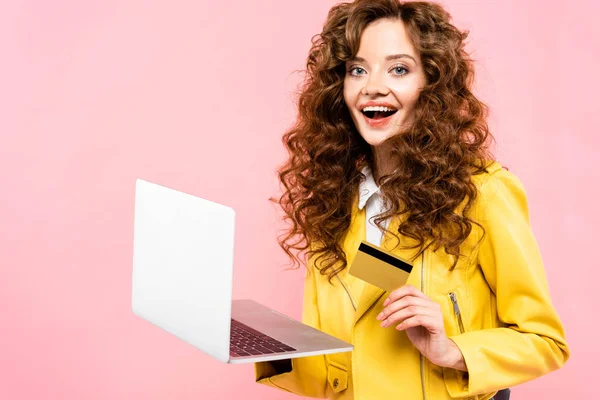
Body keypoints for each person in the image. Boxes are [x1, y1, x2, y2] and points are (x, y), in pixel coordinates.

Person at [254, 0, 570, 399]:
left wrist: (453, 349)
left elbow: (544, 341)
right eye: (357, 69)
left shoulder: (483, 192)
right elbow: (338, 371)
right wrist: (264, 348)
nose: (373, 85)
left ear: (432, 85)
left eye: (399, 69)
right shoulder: (333, 206)